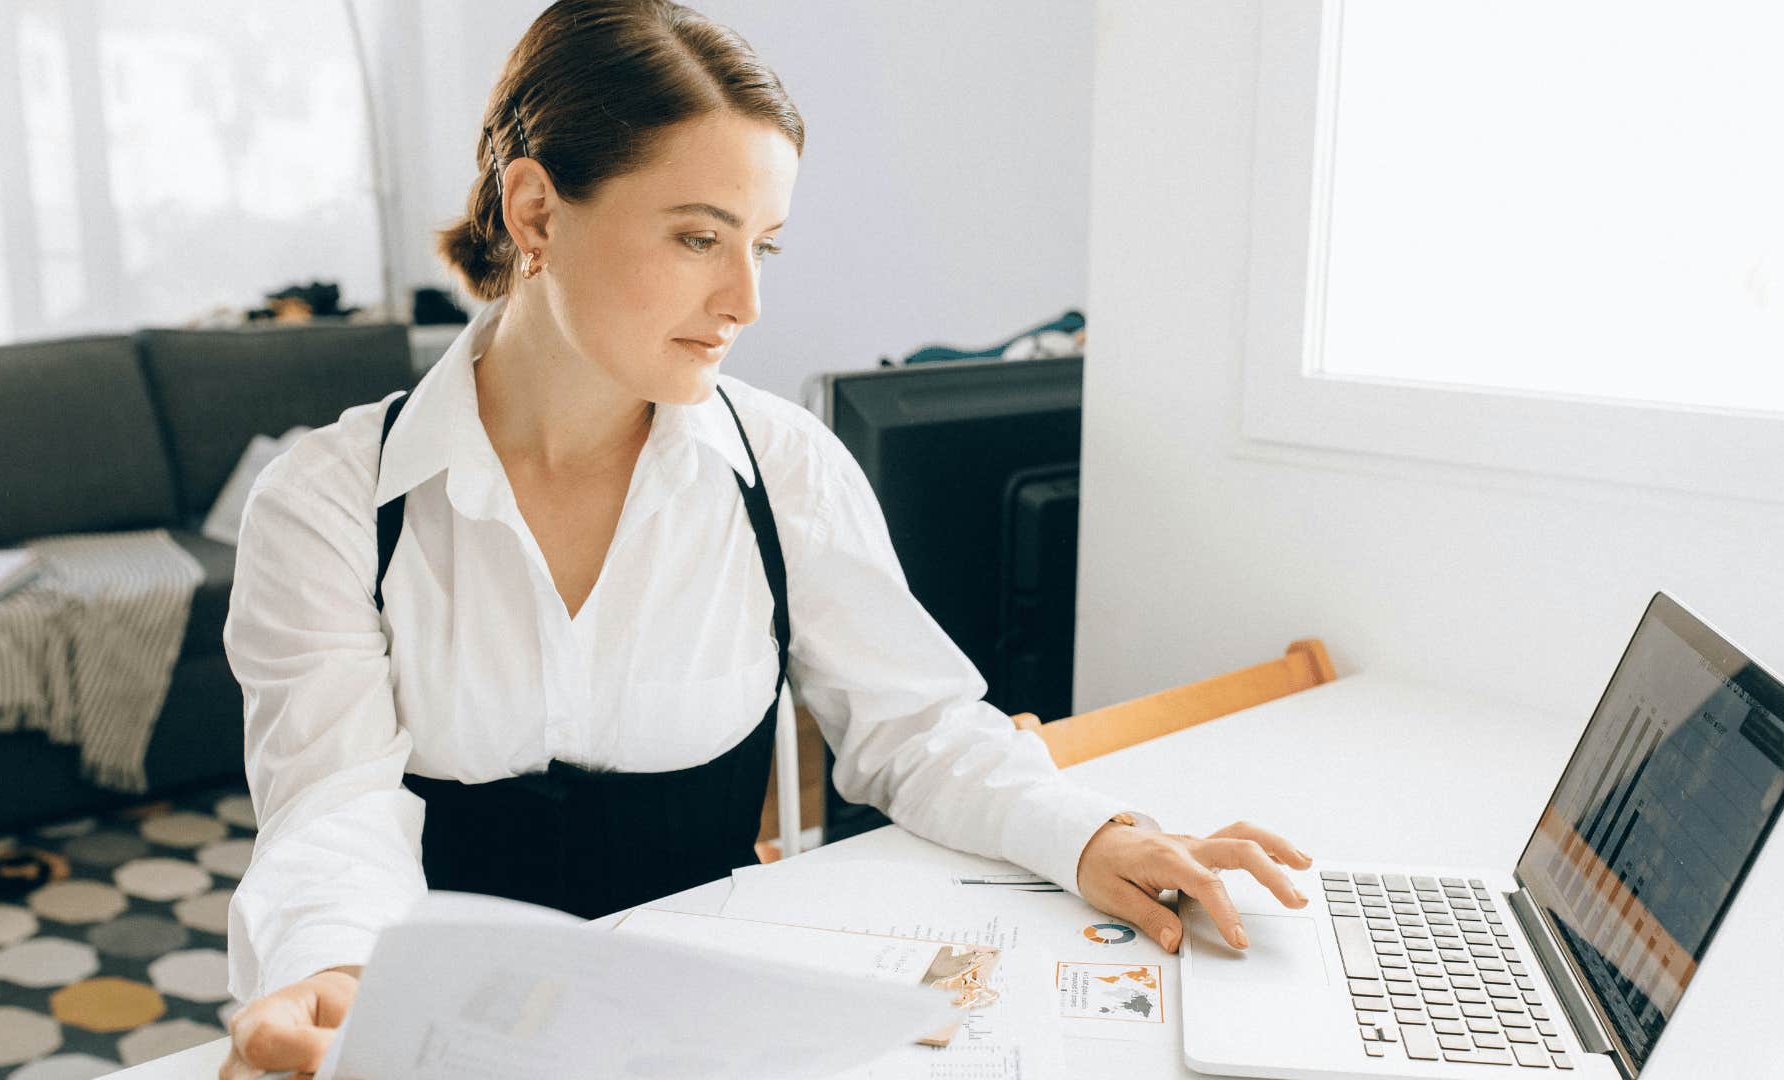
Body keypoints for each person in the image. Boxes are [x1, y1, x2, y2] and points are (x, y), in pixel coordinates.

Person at [218, 2, 1311, 1076]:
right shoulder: (328, 504)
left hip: (701, 1034)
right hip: (445, 1033)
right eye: (699, 237)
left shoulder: (785, 471)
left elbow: (917, 729)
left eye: (763, 246)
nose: (743, 300)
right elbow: (333, 815)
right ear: (538, 214)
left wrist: (1089, 834)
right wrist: (339, 980)